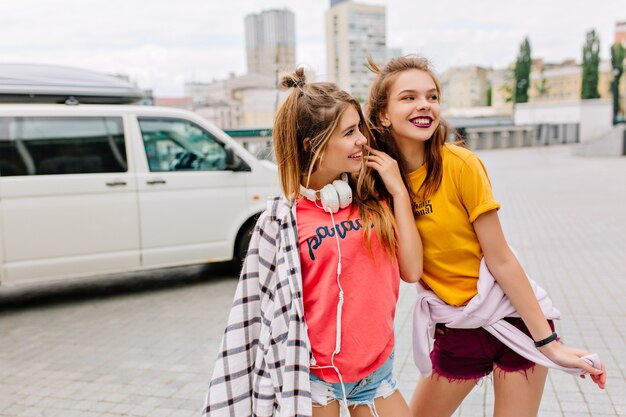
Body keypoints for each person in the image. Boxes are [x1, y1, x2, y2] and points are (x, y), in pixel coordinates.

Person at [365, 55, 607, 417]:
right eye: (409, 97)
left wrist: (549, 343)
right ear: (383, 114)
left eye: (432, 96)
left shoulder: (461, 165)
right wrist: (399, 192)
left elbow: (502, 257)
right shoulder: (379, 185)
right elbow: (411, 272)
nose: (424, 105)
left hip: (514, 322)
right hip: (458, 329)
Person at [203, 68, 422, 417]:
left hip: (377, 375)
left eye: (360, 129)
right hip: (316, 382)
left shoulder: (373, 200)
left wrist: (397, 192)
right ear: (313, 146)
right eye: (349, 133)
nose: (362, 140)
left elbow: (412, 270)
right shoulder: (283, 222)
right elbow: (259, 312)